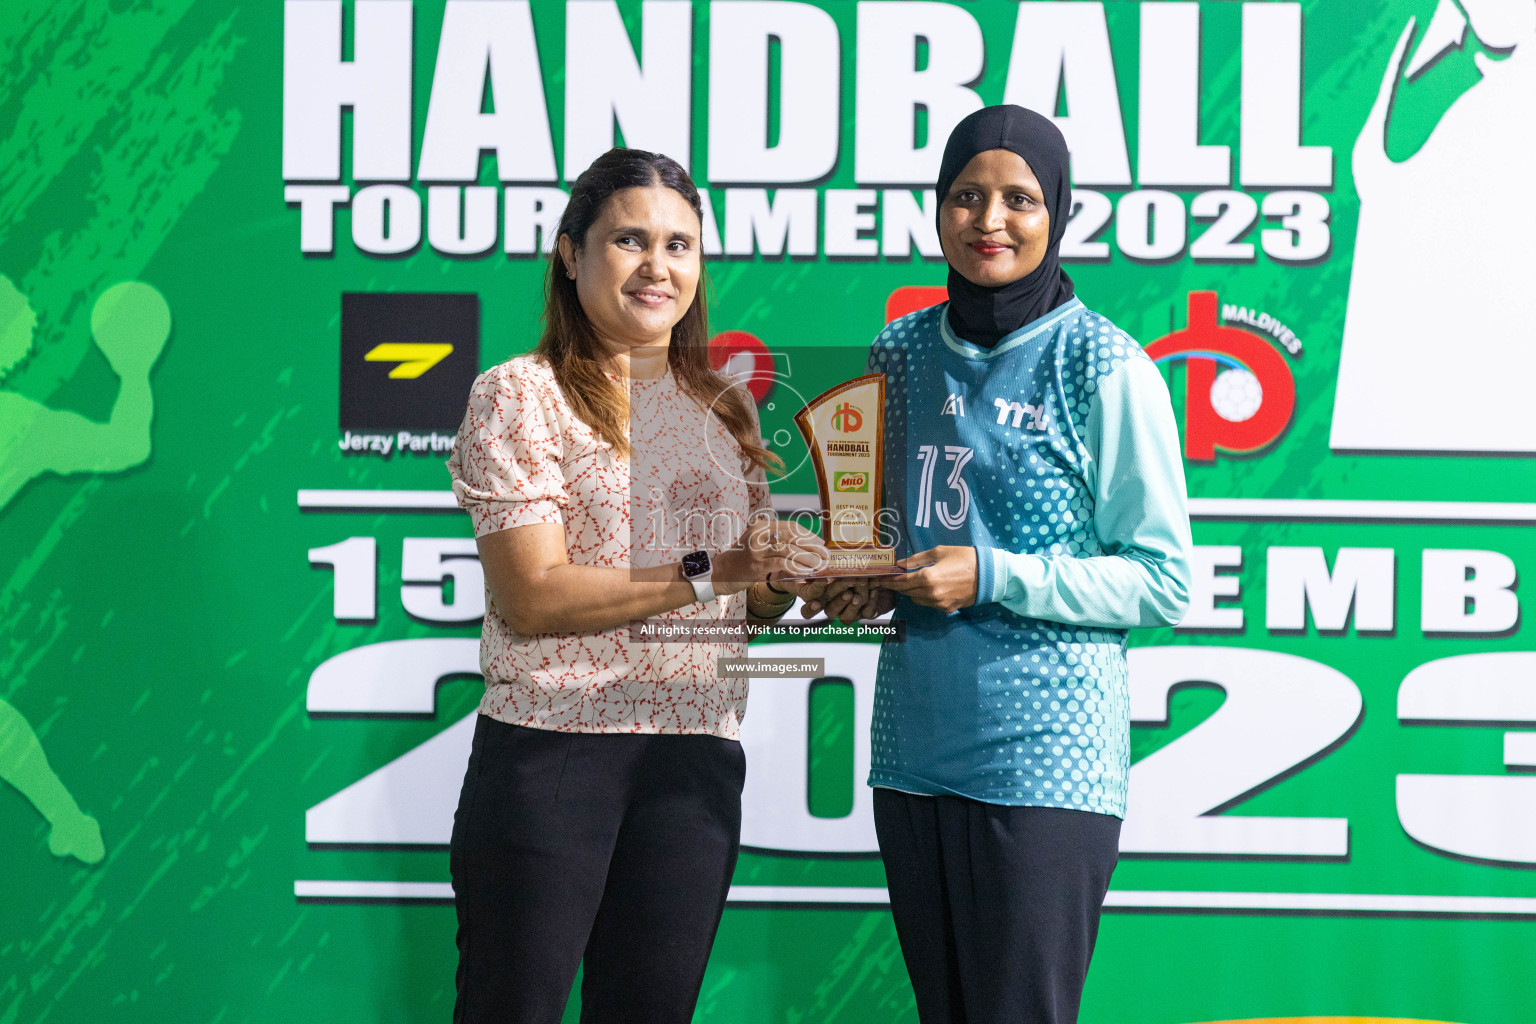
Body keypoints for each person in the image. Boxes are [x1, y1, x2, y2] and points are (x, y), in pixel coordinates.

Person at [806, 106, 1193, 1024]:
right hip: (911, 750)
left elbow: (1165, 580)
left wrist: (993, 574)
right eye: (967, 196)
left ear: (1059, 213)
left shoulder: (1102, 364)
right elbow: (879, 535)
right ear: (936, 209)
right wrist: (852, 580)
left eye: (1019, 199)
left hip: (1045, 763)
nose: (990, 220)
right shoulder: (896, 350)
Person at [445, 147, 827, 1024]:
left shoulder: (721, 408)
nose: (660, 266)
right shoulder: (520, 395)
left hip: (694, 759)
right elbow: (533, 597)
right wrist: (719, 570)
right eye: (630, 240)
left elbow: (733, 609)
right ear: (571, 254)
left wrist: (781, 581)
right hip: (555, 756)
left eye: (681, 245)